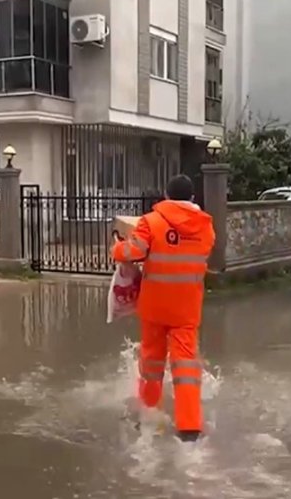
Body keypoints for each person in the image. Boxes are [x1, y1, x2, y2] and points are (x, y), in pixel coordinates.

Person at [111, 174, 216, 443]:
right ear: (193, 198)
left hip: (155, 306)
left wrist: (116, 247)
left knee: (152, 363)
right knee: (186, 368)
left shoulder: (151, 222)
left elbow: (132, 252)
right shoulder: (206, 227)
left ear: (166, 196)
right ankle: (189, 426)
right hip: (186, 309)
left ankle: (147, 414)